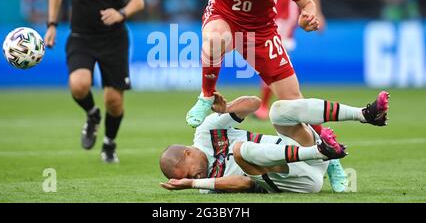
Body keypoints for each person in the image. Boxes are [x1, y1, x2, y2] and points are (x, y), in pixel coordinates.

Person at [107, 0, 318, 129]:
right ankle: (206, 96)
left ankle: (327, 149)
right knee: (215, 37)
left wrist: (307, 18)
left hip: (261, 31)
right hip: (223, 18)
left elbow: (307, 4)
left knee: (294, 102)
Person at [44, 0, 145, 163]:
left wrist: (120, 13)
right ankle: (91, 114)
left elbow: (138, 1)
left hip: (114, 40)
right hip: (81, 38)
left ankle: (109, 144)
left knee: (114, 101)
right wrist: (52, 25)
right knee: (78, 85)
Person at [159, 91, 389, 193]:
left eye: (189, 174)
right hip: (298, 181)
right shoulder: (205, 186)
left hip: (302, 149)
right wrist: (192, 185)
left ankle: (365, 114)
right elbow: (244, 183)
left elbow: (254, 103)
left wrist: (226, 109)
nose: (194, 178)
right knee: (242, 149)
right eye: (188, 180)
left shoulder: (206, 131)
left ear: (188, 153)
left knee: (278, 110)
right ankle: (322, 151)